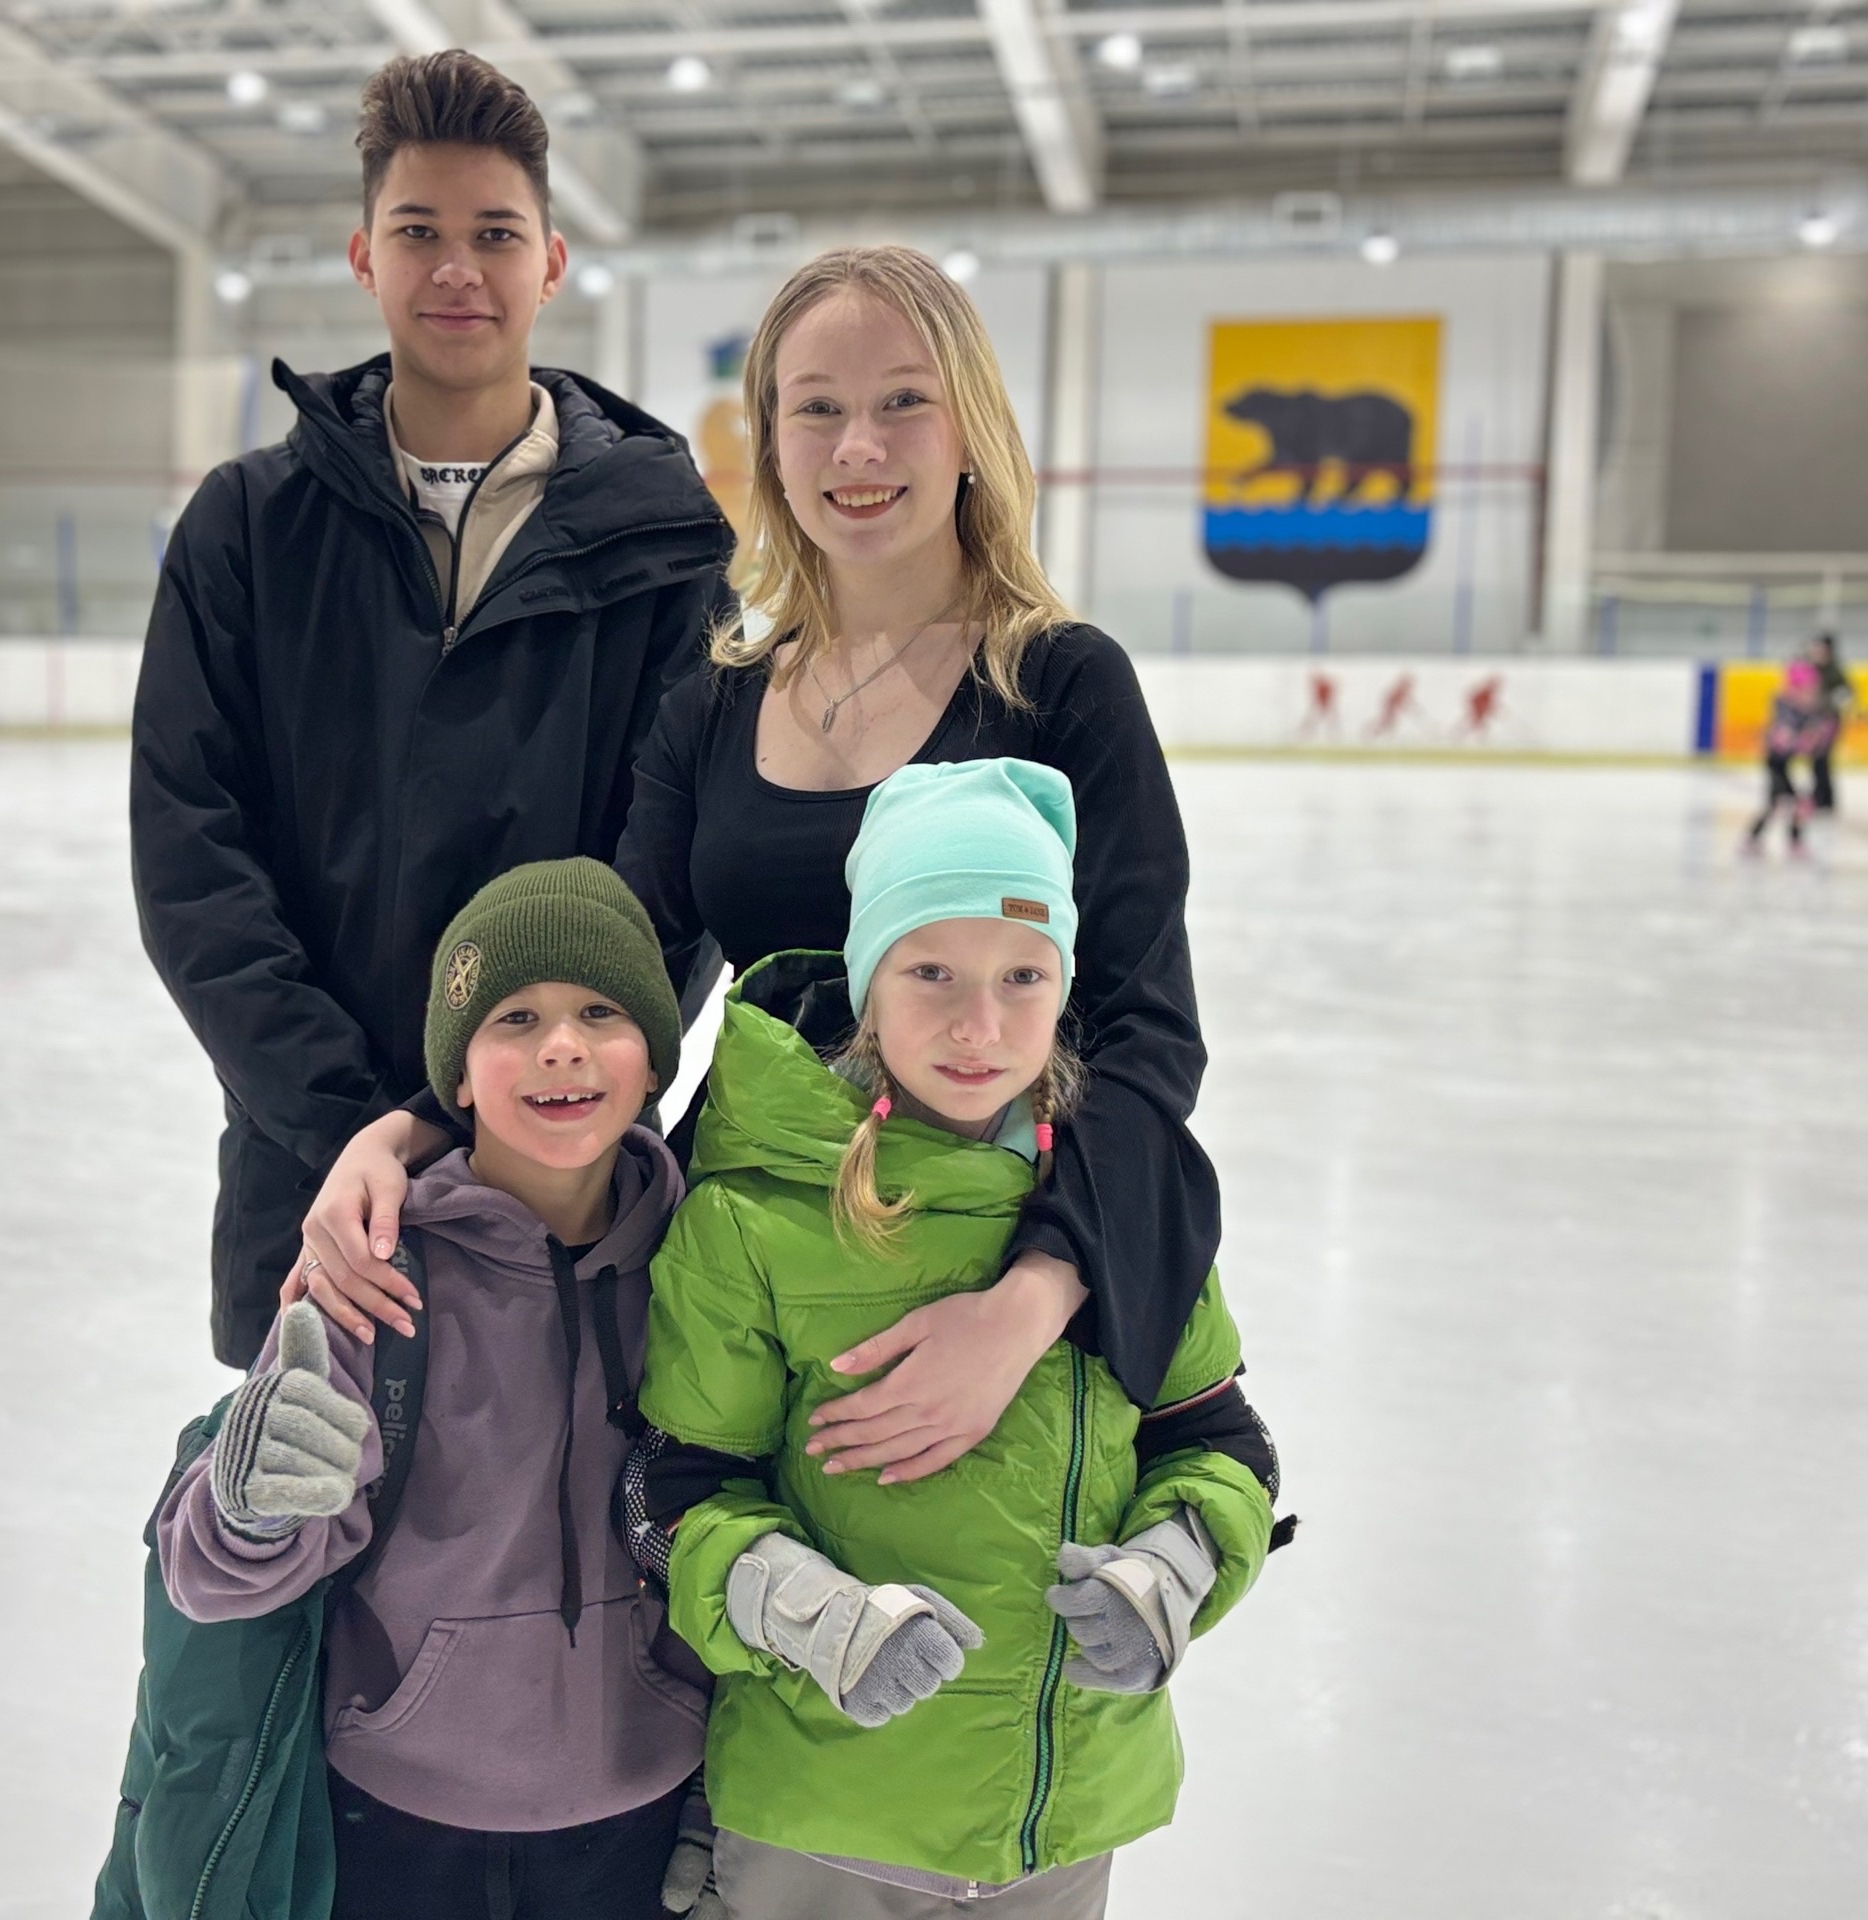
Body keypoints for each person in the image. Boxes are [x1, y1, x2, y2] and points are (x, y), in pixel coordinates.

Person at [299, 244, 1221, 1493]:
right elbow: (616, 973)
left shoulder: (1060, 683)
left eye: (903, 400)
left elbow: (1146, 1032)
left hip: (988, 1264)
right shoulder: (717, 702)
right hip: (755, 1262)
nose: (858, 447)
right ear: (772, 445)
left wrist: (1029, 1301)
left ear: (969, 429)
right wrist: (407, 1128)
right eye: (817, 408)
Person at [130, 49, 733, 1368]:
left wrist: (516, 1110)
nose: (458, 268)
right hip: (311, 1183)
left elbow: (672, 874)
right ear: (364, 256)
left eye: (495, 235)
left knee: (558, 1493)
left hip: (566, 1180)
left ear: (552, 263)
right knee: (306, 1495)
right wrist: (352, 1122)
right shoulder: (248, 529)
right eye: (419, 232)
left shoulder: (666, 547)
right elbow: (193, 863)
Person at [628, 759, 1280, 1917]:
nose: (980, 1026)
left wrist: (1172, 1571)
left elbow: (1221, 1445)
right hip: (822, 1824)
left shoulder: (1123, 1206)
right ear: (868, 981)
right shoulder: (755, 1213)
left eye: (1023, 976)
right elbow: (673, 1495)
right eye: (929, 971)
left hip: (1066, 1824)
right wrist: (810, 1614)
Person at [151, 860, 707, 1920]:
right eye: (514, 1018)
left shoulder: (703, 1269)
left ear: (654, 1064)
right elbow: (205, 1576)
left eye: (601, 1012)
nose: (561, 1045)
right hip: (398, 1815)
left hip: (637, 1807)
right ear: (456, 1077)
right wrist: (254, 1503)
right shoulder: (374, 1273)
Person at [1745, 657, 1839, 859]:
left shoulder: (1814, 709)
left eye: (1813, 690)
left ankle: (1793, 842)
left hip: (1788, 762)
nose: (1810, 695)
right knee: (1777, 804)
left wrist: (1817, 737)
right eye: (1806, 690)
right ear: (1794, 690)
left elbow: (1821, 732)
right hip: (1776, 764)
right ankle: (1753, 839)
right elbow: (1783, 738)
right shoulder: (1784, 707)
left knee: (1800, 805)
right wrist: (1799, 739)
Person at [1806, 630, 1854, 814]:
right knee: (1816, 760)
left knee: (1822, 760)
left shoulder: (1833, 671)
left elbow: (1847, 694)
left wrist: (1830, 703)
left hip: (1828, 722)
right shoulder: (1811, 668)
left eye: (1819, 648)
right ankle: (1820, 797)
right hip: (1813, 721)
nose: (1815, 651)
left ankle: (1824, 799)